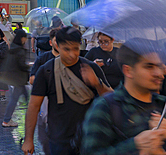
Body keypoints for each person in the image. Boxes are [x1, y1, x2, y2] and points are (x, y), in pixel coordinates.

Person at [80, 40, 166, 155]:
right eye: (149, 67)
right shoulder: (106, 108)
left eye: (159, 66)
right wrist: (136, 145)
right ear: (128, 71)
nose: (159, 73)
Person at [23, 26, 112, 155]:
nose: (72, 54)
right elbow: (33, 106)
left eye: (76, 49)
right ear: (57, 46)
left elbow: (112, 99)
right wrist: (28, 139)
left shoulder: (90, 67)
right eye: (67, 49)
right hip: (59, 140)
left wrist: (97, 83)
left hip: (90, 138)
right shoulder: (46, 71)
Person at [0, 29, 30, 128]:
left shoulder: (13, 47)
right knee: (14, 99)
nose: (26, 40)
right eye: (25, 37)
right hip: (19, 78)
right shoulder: (20, 50)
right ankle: (6, 120)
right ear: (22, 38)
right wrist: (29, 66)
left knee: (26, 96)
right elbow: (22, 65)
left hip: (14, 77)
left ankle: (35, 113)